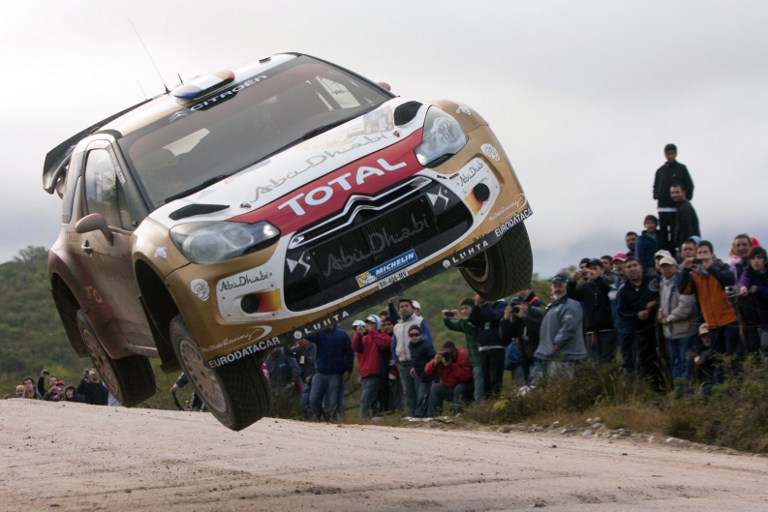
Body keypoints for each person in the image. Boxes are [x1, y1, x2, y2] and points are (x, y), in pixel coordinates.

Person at [679, 241, 745, 382]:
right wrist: (684, 270)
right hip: (712, 325)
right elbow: (683, 290)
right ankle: (722, 391)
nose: (703, 256)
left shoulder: (721, 267)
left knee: (734, 358)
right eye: (700, 253)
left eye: (705, 252)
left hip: (729, 320)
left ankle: (740, 388)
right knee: (718, 360)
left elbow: (729, 280)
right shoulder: (695, 275)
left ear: (711, 254)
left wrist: (711, 269)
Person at [531, 275, 587, 382]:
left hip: (564, 356)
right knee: (554, 390)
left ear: (566, 287)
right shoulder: (553, 306)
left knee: (562, 387)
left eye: (560, 286)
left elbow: (569, 327)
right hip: (553, 356)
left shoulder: (570, 304)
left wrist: (557, 344)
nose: (557, 289)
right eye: (555, 286)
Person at [618, 257, 661, 387]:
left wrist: (656, 302)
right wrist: (636, 315)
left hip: (661, 326)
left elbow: (667, 295)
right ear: (625, 271)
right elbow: (622, 312)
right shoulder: (624, 291)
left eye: (635, 265)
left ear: (641, 267)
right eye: (629, 267)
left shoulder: (654, 280)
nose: (632, 269)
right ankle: (653, 390)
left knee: (665, 357)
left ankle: (671, 387)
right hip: (641, 331)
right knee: (646, 362)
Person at [657, 256, 699, 386]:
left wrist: (669, 319)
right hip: (671, 333)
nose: (666, 269)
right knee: (675, 363)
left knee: (686, 363)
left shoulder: (683, 280)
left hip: (685, 331)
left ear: (675, 266)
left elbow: (687, 307)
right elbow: (663, 303)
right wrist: (660, 312)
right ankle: (678, 394)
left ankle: (685, 394)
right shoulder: (662, 283)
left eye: (669, 266)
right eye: (663, 266)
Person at [566, 259, 617, 365]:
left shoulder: (609, 283)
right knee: (592, 363)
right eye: (590, 269)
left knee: (606, 362)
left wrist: (597, 278)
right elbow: (572, 296)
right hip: (591, 331)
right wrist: (572, 282)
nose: (591, 271)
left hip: (607, 329)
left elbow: (607, 291)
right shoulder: (586, 287)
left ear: (602, 270)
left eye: (595, 269)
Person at [391, 298, 433, 417]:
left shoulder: (419, 321)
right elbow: (394, 345)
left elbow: (428, 339)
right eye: (401, 306)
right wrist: (396, 361)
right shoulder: (397, 326)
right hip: (403, 364)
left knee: (420, 391)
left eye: (406, 306)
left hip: (418, 363)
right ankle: (412, 416)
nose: (404, 308)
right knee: (409, 394)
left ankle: (421, 416)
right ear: (399, 309)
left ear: (411, 307)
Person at [653, 143, 694, 254]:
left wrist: (686, 199)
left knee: (676, 232)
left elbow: (689, 185)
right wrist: (656, 195)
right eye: (667, 154)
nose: (669, 156)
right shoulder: (660, 171)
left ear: (675, 154)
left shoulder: (682, 168)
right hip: (663, 208)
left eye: (671, 153)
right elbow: (656, 185)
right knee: (663, 234)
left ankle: (677, 252)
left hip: (676, 207)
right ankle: (664, 253)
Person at [309, 324, 353, 421]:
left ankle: (330, 421)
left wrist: (348, 370)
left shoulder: (342, 335)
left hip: (336, 374)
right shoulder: (319, 333)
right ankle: (318, 417)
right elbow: (309, 336)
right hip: (320, 372)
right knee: (314, 399)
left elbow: (350, 353)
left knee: (332, 402)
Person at [442, 298, 483, 401]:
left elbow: (471, 329)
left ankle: (479, 407)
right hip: (473, 360)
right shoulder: (465, 321)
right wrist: (446, 319)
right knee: (477, 383)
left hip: (480, 358)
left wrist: (460, 319)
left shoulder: (478, 319)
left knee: (480, 384)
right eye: (462, 309)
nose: (464, 311)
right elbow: (453, 326)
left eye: (466, 308)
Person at [352, 315, 392, 417]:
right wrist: (358, 334)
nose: (368, 325)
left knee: (365, 401)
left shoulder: (383, 336)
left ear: (377, 325)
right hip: (365, 373)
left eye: (371, 323)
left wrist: (372, 332)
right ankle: (370, 422)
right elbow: (356, 347)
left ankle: (361, 421)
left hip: (376, 373)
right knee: (372, 403)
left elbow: (384, 344)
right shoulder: (365, 338)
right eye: (367, 323)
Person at [499, 295, 545, 384]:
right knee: (528, 384)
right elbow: (505, 336)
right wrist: (505, 320)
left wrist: (524, 317)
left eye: (518, 305)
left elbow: (541, 329)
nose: (516, 308)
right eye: (514, 306)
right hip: (527, 357)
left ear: (525, 304)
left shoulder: (537, 313)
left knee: (535, 383)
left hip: (540, 355)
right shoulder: (516, 318)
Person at [468, 294, 507, 398]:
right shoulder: (482, 306)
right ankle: (488, 405)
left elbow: (493, 316)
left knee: (495, 379)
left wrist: (486, 303)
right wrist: (476, 305)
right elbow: (473, 320)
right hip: (483, 347)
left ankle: (496, 402)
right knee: (486, 380)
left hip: (496, 346)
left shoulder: (501, 305)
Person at [424, 341, 473, 415]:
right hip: (450, 387)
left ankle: (456, 414)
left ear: (455, 351)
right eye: (447, 354)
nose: (449, 356)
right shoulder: (441, 357)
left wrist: (452, 366)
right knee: (435, 388)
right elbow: (427, 370)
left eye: (451, 354)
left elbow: (466, 376)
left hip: (464, 388)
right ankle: (434, 415)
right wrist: (434, 363)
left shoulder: (462, 355)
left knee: (459, 388)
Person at [738, 246, 768, 355]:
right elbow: (744, 280)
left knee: (765, 346)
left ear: (764, 261)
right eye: (753, 258)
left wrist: (759, 289)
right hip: (756, 321)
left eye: (759, 258)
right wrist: (743, 288)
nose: (756, 261)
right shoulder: (747, 272)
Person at [407, 325, 437, 417]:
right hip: (420, 374)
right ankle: (422, 414)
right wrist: (413, 367)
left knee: (424, 396)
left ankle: (422, 415)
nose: (414, 337)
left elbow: (433, 359)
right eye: (411, 335)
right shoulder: (411, 345)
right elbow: (415, 358)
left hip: (429, 375)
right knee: (420, 395)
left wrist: (429, 372)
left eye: (416, 334)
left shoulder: (426, 345)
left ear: (420, 335)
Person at [285, 336, 316, 419]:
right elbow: (288, 353)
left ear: (307, 339)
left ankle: (316, 418)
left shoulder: (315, 347)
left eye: (301, 339)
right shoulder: (299, 349)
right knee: (304, 402)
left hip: (316, 378)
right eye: (297, 340)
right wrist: (285, 342)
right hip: (304, 379)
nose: (299, 341)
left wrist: (312, 376)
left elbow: (316, 362)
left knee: (314, 400)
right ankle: (307, 419)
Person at [670, 184, 700, 254]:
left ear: (684, 192)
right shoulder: (682, 207)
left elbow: (685, 231)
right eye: (672, 193)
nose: (674, 195)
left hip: (687, 247)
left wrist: (681, 249)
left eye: (677, 192)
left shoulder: (685, 208)